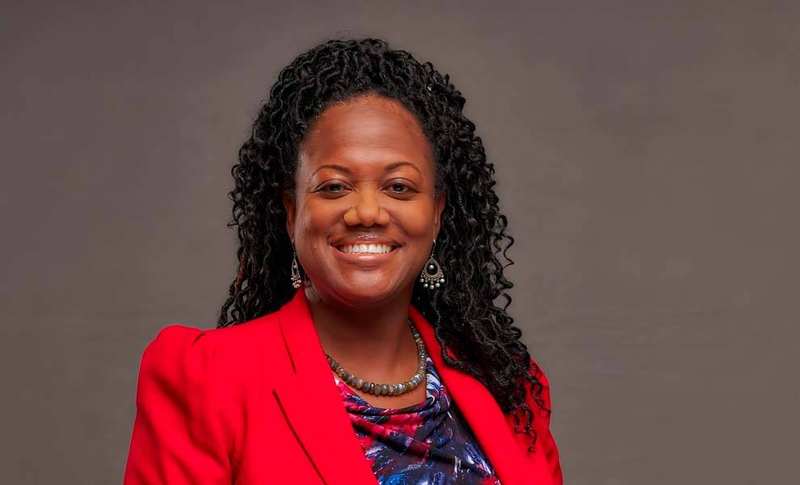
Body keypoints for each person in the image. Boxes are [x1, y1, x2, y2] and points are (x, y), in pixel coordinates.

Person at [123, 37, 563, 485]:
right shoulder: (209, 379)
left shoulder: (508, 387)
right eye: (334, 187)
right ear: (292, 212)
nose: (367, 212)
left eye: (399, 187)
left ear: (436, 214)